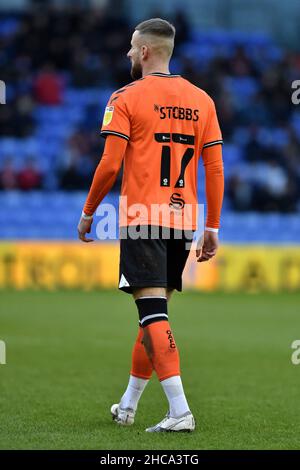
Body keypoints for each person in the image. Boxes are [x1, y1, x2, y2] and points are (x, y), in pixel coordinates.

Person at [78, 18, 224, 432]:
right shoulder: (202, 100)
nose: (127, 53)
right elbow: (214, 166)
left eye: (130, 47)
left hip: (143, 218)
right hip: (182, 220)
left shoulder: (125, 97)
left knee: (152, 315)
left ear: (144, 51)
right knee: (152, 316)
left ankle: (180, 411)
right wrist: (212, 224)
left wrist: (89, 211)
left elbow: (109, 163)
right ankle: (128, 404)